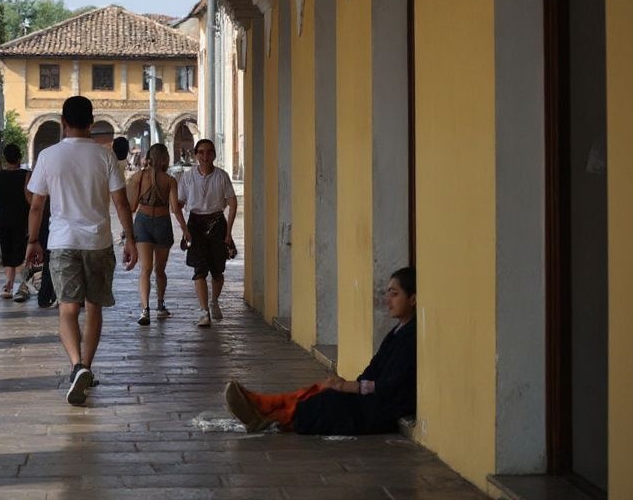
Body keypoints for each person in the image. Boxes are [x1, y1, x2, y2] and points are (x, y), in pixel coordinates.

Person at [26, 96, 137, 406]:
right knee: (94, 307)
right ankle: (86, 366)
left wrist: (33, 241)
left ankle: (75, 364)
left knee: (68, 309)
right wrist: (129, 238)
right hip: (98, 242)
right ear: (92, 123)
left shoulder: (48, 156)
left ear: (63, 121)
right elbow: (121, 202)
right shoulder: (105, 158)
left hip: (62, 242)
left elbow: (37, 205)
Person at [224, 267, 417, 435]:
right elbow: (375, 367)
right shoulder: (397, 332)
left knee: (328, 402)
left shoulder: (410, 337)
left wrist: (355, 388)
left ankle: (271, 415)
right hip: (376, 397)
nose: (387, 300)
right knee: (319, 389)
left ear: (413, 299)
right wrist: (349, 384)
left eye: (394, 294)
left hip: (387, 407)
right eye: (387, 293)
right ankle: (264, 405)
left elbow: (395, 386)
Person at [171, 138, 237, 328]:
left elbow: (232, 204)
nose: (205, 156)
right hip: (195, 224)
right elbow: (179, 205)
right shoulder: (188, 177)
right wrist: (184, 229)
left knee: (217, 270)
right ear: (195, 154)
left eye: (209, 152)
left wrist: (229, 232)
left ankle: (214, 301)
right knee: (199, 269)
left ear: (214, 155)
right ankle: (203, 311)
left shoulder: (222, 176)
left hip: (217, 224)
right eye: (201, 152)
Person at [126, 142, 179, 325]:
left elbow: (131, 206)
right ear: (165, 158)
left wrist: (127, 232)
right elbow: (175, 209)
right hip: (163, 224)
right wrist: (186, 230)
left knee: (145, 269)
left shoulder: (138, 177)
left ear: (149, 157)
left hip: (143, 222)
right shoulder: (170, 180)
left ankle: (144, 309)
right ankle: (160, 305)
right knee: (160, 269)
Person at [0, 144, 32, 301]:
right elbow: (29, 199)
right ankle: (22, 285)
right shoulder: (26, 175)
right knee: (20, 253)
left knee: (7, 254)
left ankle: (8, 285)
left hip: (3, 221)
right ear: (19, 158)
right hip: (21, 220)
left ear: (5, 159)